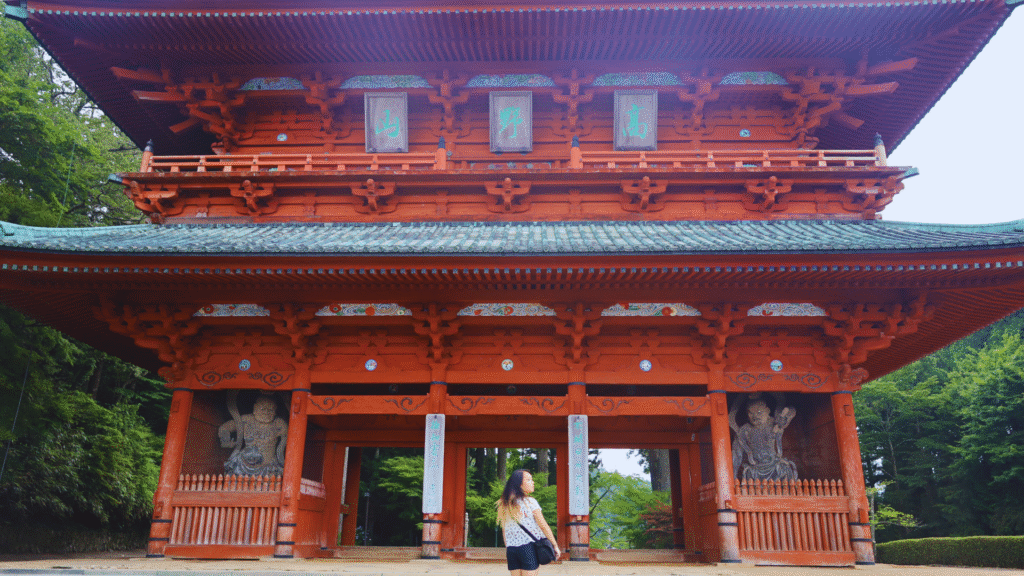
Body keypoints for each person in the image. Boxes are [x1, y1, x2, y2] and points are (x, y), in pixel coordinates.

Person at [495, 469, 561, 576]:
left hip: (511, 550)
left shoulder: (504, 504)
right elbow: (543, 525)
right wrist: (554, 545)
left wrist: (509, 547)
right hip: (528, 548)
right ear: (520, 485)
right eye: (529, 480)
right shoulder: (530, 502)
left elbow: (504, 530)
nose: (533, 482)